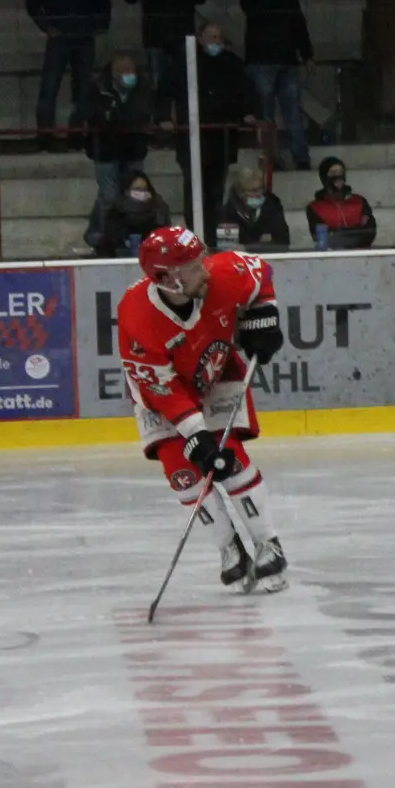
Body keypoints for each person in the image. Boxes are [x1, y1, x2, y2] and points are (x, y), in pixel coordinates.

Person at [117, 226, 287, 593]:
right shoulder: (136, 315)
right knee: (184, 472)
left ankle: (269, 545)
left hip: (216, 371)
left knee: (229, 457)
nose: (204, 270)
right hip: (161, 392)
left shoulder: (223, 274)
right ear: (165, 278)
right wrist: (195, 434)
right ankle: (230, 549)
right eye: (192, 267)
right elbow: (161, 388)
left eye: (200, 260)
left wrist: (265, 316)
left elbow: (261, 274)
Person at [163, 22, 256, 249]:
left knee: (216, 191)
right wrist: (163, 116)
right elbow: (165, 91)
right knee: (194, 189)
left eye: (219, 37)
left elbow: (247, 92)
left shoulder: (232, 63)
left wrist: (249, 112)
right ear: (200, 38)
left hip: (221, 138)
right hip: (193, 138)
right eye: (211, 37)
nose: (216, 41)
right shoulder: (183, 63)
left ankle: (212, 237)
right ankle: (195, 236)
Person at [25, 0, 111, 152]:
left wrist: (100, 24)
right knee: (49, 87)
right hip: (60, 37)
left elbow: (103, 1)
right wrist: (47, 27)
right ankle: (45, 136)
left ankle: (76, 135)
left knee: (83, 90)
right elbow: (33, 2)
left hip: (84, 37)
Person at [240, 0, 315, 171]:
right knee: (266, 113)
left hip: (287, 59)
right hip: (261, 60)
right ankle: (271, 157)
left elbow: (298, 23)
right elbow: (255, 12)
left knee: (293, 110)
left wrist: (307, 54)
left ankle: (301, 156)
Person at [123, 0, 208, 106]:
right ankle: (161, 124)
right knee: (158, 84)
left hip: (182, 33)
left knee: (186, 83)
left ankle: (185, 125)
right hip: (155, 33)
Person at [82, 52, 155, 247]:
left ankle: (102, 233)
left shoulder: (143, 87)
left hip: (134, 149)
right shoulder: (98, 88)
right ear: (113, 73)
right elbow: (90, 114)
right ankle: (106, 238)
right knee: (109, 196)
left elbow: (143, 113)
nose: (129, 75)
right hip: (106, 151)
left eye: (131, 70)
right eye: (123, 71)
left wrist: (117, 116)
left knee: (131, 196)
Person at [95, 169, 171, 258]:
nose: (141, 193)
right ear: (126, 191)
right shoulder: (115, 213)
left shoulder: (159, 210)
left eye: (145, 189)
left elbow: (166, 243)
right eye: (137, 189)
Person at [306, 156, 377, 250]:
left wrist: (338, 232)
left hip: (361, 256)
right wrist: (356, 229)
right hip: (333, 258)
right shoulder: (315, 208)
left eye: (341, 172)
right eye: (333, 173)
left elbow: (369, 233)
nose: (338, 176)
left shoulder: (360, 201)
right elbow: (322, 238)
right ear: (324, 178)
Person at [221, 165, 291, 249]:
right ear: (240, 193)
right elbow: (227, 247)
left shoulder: (273, 205)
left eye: (261, 189)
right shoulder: (228, 212)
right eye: (253, 190)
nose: (259, 194)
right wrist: (260, 244)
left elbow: (284, 240)